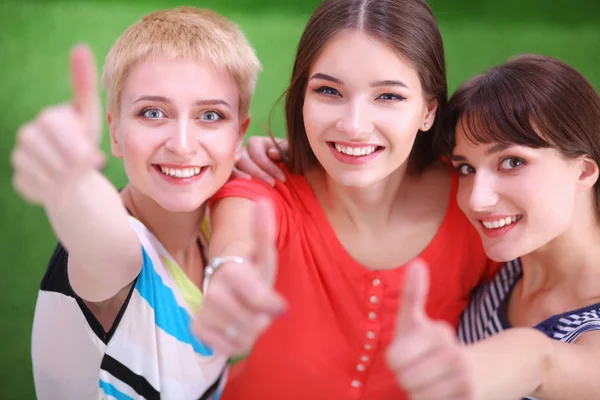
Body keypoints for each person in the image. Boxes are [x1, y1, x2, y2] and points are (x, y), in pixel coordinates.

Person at [193, 0, 500, 398]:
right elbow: (237, 238)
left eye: (388, 97)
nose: (353, 125)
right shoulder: (268, 183)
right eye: (328, 91)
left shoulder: (477, 205)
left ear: (428, 110)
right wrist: (228, 274)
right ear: (303, 96)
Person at [11, 7, 264, 399]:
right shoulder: (121, 257)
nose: (181, 144)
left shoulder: (215, 229)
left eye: (210, 115)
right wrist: (71, 185)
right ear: (114, 131)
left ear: (238, 136)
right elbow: (104, 241)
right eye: (153, 112)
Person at [386, 55, 600, 399]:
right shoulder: (505, 269)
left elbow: (540, 360)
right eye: (467, 169)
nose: (476, 201)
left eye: (512, 162)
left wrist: (472, 368)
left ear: (584, 170)